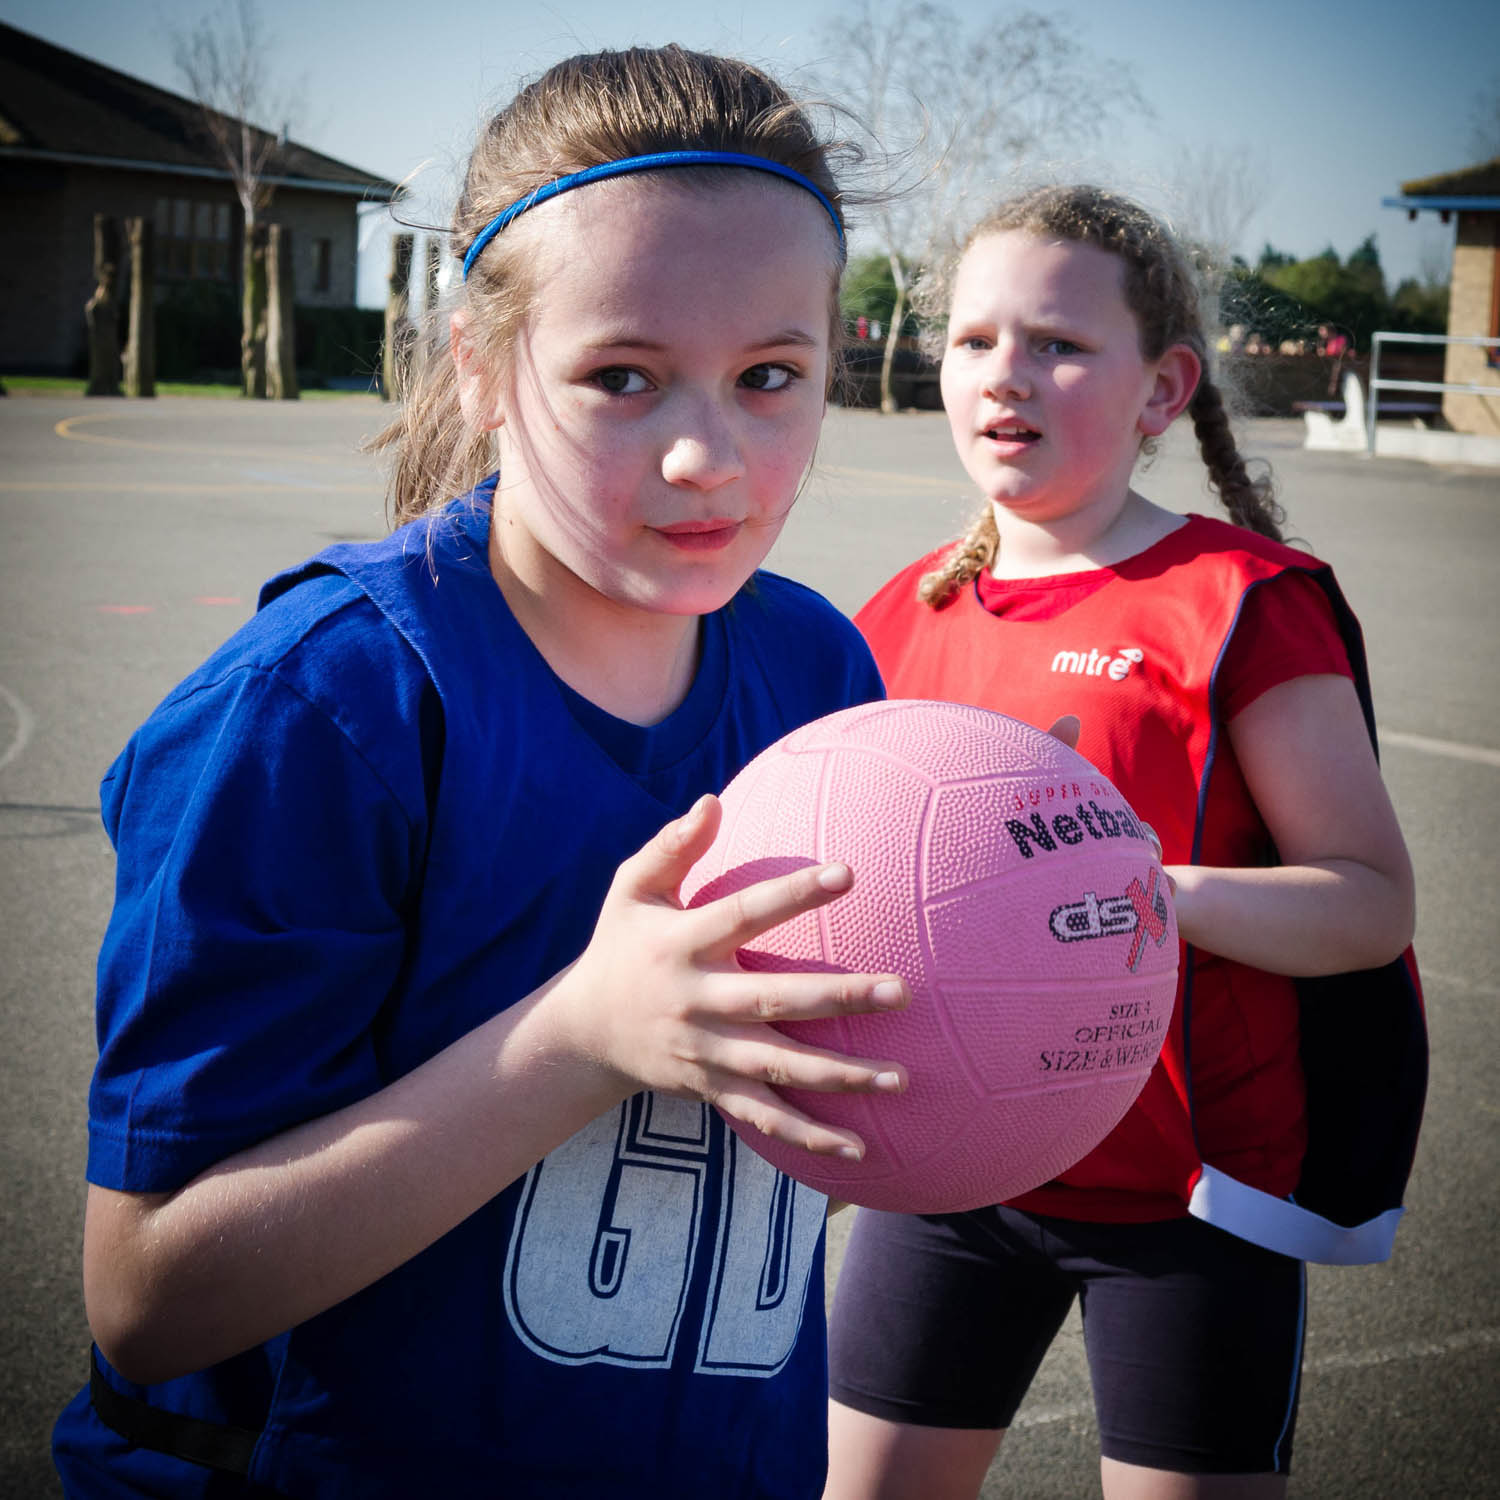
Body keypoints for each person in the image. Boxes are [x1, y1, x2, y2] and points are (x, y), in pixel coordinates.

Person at [52, 45, 917, 1499]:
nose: (709, 451)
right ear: (480, 362)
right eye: (623, 378)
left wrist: (1016, 955)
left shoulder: (820, 672)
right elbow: (148, 1297)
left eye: (772, 376)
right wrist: (581, 1036)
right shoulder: (326, 708)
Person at [823, 185, 1425, 1500]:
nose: (1004, 375)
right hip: (952, 1179)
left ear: (1162, 390)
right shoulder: (890, 620)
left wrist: (1138, 892)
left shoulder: (1242, 606)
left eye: (1057, 343)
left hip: (1187, 1203)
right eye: (974, 340)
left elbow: (1371, 904)